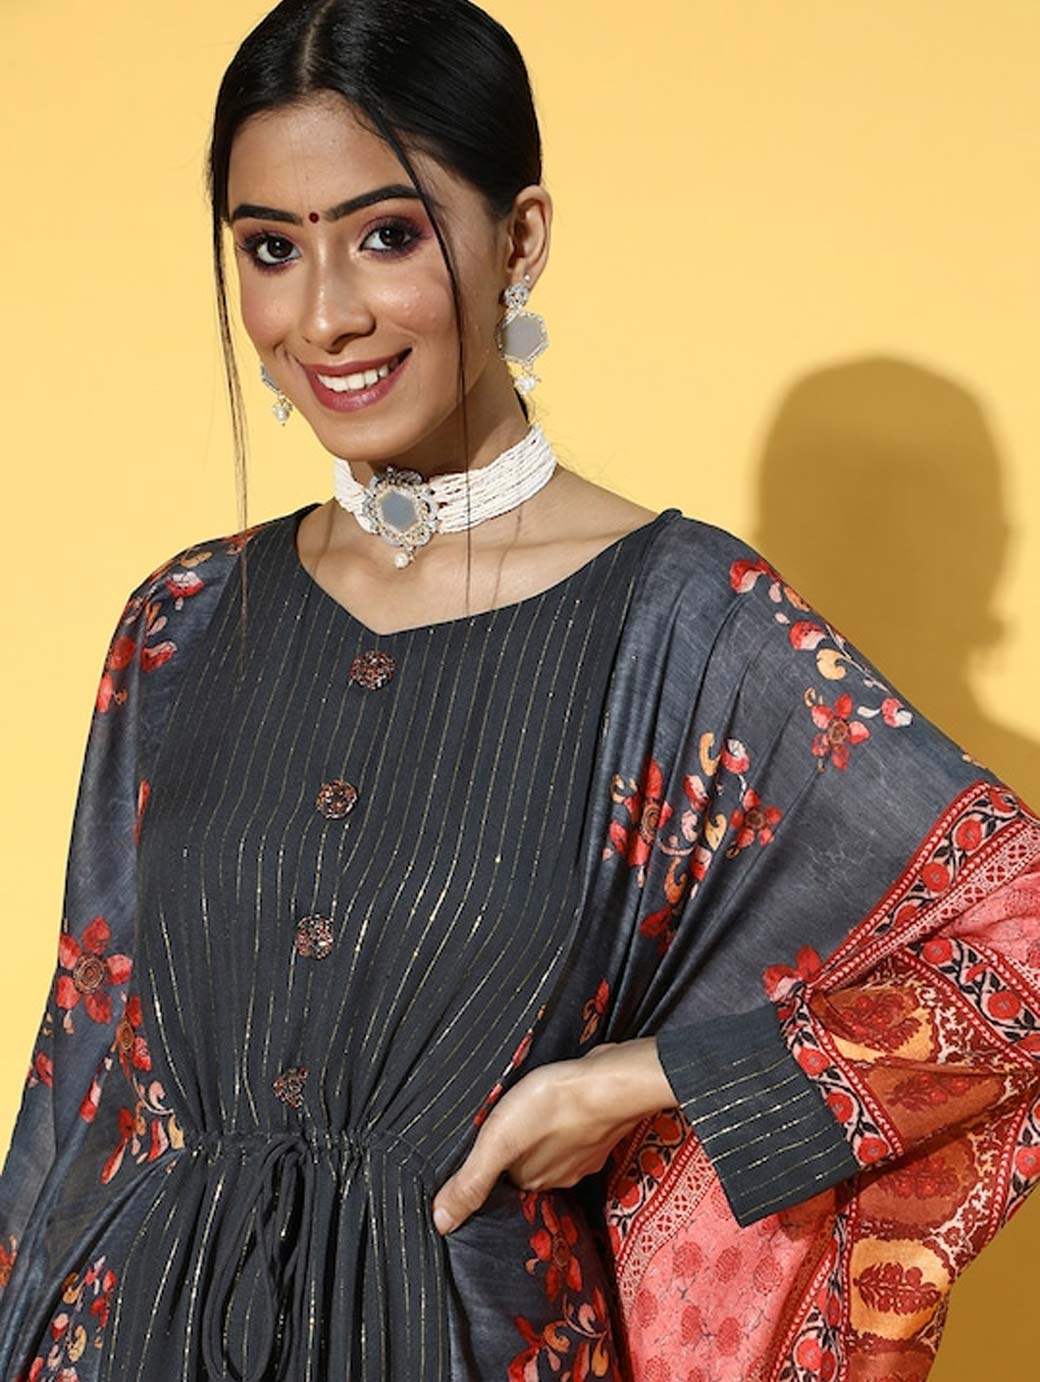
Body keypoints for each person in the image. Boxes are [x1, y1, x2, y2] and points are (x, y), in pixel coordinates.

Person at [1, 1, 1038, 1378]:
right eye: (270, 249)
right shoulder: (184, 623)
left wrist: (641, 1081)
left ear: (520, 238)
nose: (325, 315)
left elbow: (1021, 945)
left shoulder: (683, 628)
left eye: (387, 235)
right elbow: (83, 1091)